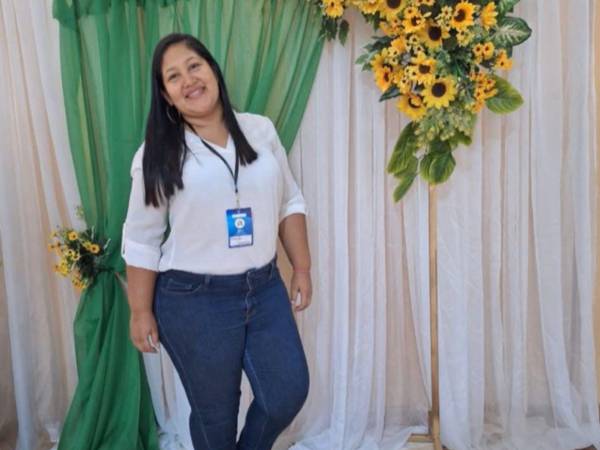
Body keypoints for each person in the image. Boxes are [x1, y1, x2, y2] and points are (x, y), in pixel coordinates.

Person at [121, 33, 311, 450]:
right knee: (216, 416)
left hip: (264, 288)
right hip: (193, 301)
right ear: (166, 96)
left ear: (213, 70)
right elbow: (141, 240)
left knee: (286, 393)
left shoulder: (259, 129)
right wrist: (140, 311)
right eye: (173, 76)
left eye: (194, 66)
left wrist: (301, 267)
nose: (188, 80)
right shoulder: (157, 153)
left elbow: (289, 200)